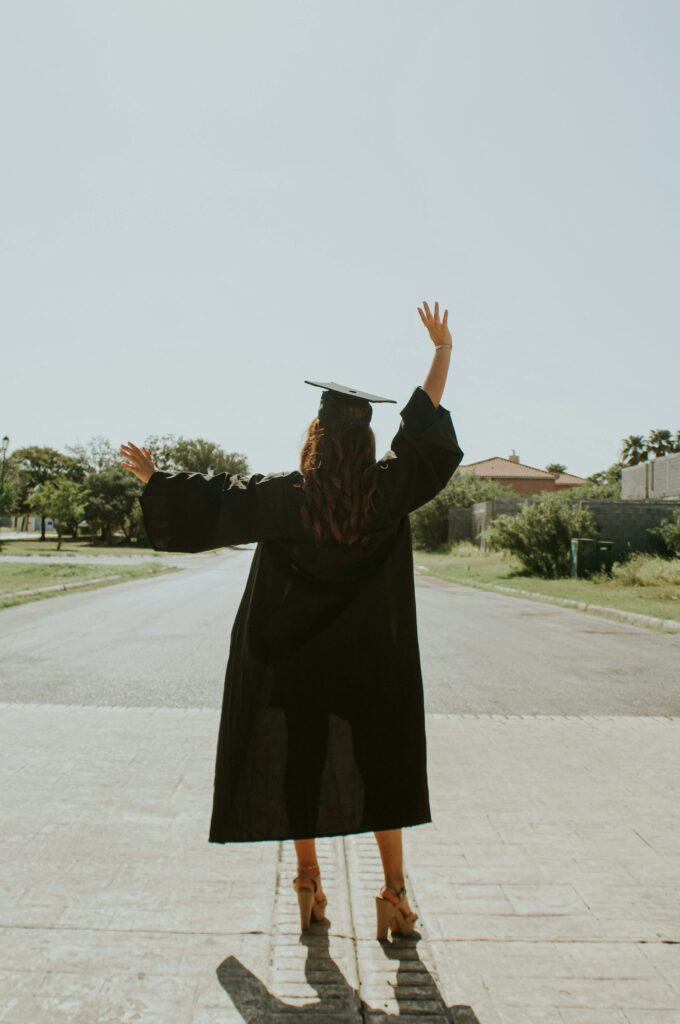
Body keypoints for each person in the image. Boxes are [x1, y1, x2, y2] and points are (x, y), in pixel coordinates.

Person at [119, 299, 464, 940]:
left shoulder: (285, 497)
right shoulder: (387, 492)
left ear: (316, 436)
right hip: (368, 664)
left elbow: (214, 500)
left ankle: (307, 882)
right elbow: (423, 439)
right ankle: (394, 895)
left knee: (301, 764)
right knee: (381, 767)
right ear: (365, 439)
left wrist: (156, 479)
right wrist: (442, 352)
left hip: (296, 666)